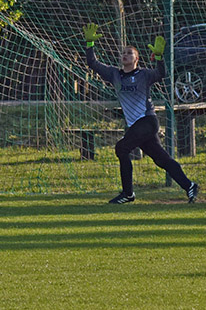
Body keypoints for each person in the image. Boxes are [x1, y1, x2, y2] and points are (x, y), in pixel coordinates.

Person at [82, 22, 199, 204]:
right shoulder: (115, 74)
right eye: (124, 53)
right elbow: (92, 63)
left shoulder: (144, 74)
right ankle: (189, 185)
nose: (125, 55)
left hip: (147, 121)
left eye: (130, 53)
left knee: (122, 148)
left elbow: (161, 73)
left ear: (136, 59)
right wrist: (90, 45)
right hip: (136, 125)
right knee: (161, 160)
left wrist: (159, 57)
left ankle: (128, 194)